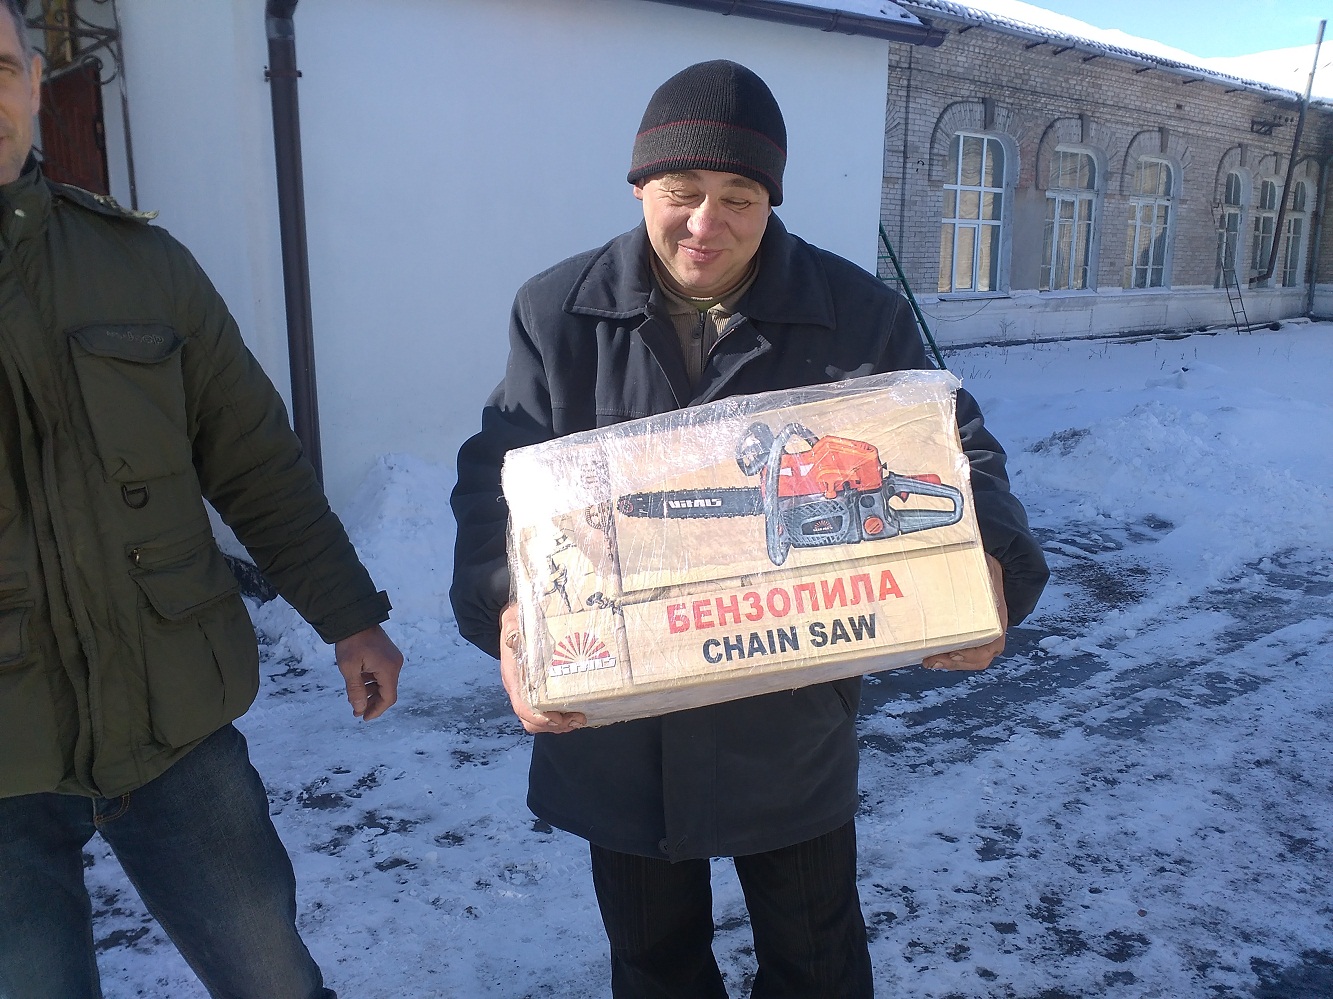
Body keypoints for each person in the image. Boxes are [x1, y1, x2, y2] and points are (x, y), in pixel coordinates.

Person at [450, 59, 1048, 997]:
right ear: (640, 185)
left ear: (770, 200)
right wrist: (510, 606)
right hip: (618, 722)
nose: (706, 223)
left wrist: (989, 561)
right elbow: (497, 481)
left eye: (738, 197)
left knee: (816, 960)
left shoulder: (856, 316)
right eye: (681, 191)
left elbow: (956, 450)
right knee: (653, 964)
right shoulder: (557, 313)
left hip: (788, 717)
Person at [0, 3, 404, 997]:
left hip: (172, 719)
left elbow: (254, 461)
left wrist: (349, 617)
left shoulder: (141, 266)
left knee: (275, 982)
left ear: (36, 82)